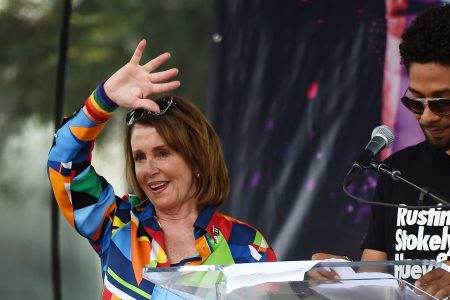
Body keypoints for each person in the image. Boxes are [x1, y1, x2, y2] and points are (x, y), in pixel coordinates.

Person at [47, 39, 277, 299]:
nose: (149, 169)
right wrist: (104, 99)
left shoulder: (246, 245)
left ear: (197, 160)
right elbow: (63, 162)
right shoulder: (117, 223)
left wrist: (325, 283)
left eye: (162, 153)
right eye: (140, 157)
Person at [312, 4, 450, 299]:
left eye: (442, 103)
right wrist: (340, 278)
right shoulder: (398, 170)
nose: (427, 117)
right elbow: (373, 277)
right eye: (416, 102)